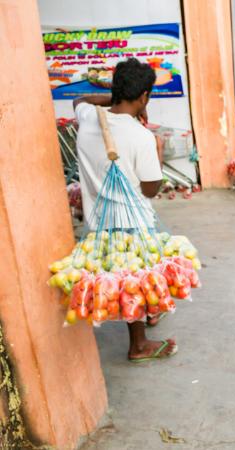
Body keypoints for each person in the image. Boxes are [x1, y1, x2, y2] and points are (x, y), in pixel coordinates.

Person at [73, 58, 178, 362]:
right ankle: (139, 345)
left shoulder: (90, 119)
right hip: (132, 223)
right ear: (145, 96)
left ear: (115, 88)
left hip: (98, 219)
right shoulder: (141, 138)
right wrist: (157, 153)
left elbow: (80, 100)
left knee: (131, 276)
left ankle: (150, 314)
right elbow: (150, 188)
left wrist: (116, 98)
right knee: (136, 278)